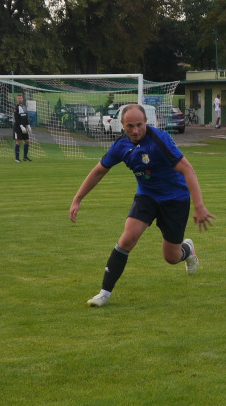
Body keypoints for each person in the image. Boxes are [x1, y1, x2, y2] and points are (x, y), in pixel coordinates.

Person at [69, 104, 214, 307]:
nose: (135, 130)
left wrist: (199, 205)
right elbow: (99, 171)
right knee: (127, 238)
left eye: (139, 125)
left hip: (175, 199)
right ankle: (104, 293)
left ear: (147, 122)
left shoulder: (159, 140)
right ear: (122, 125)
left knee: (171, 257)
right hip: (147, 197)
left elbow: (188, 170)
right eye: (130, 126)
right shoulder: (121, 146)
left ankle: (187, 250)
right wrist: (77, 199)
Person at [13, 94, 32, 162]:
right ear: (17, 99)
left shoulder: (24, 107)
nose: (19, 99)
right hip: (18, 127)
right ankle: (17, 158)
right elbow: (16, 118)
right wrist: (21, 126)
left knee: (27, 141)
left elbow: (25, 117)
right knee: (19, 141)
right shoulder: (16, 107)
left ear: (22, 99)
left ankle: (25, 157)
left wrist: (28, 125)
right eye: (18, 98)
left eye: (20, 98)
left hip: (24, 127)